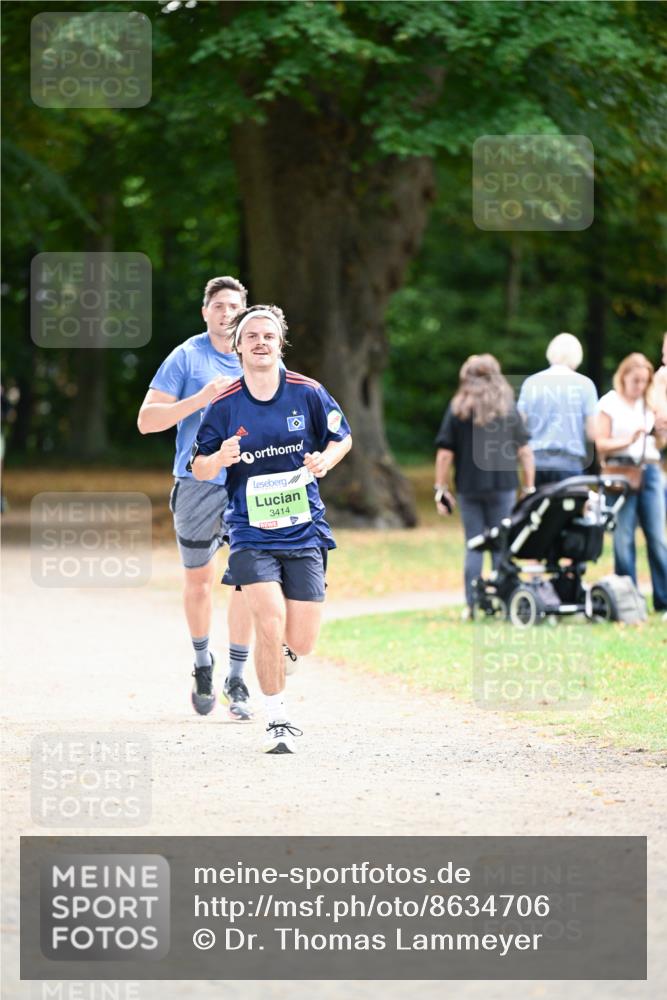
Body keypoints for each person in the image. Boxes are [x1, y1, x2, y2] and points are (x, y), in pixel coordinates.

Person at [190, 305, 352, 754]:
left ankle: (276, 660)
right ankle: (278, 718)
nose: (260, 342)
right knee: (269, 620)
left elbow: (343, 437)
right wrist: (219, 459)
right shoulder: (224, 405)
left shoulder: (308, 392)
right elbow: (199, 467)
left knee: (300, 640)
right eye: (251, 336)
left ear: (280, 343)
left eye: (268, 336)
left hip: (304, 530)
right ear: (237, 346)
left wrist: (326, 459)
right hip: (249, 530)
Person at [137, 276, 254, 720]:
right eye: (219, 306)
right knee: (200, 582)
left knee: (248, 579)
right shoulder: (187, 357)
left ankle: (238, 678)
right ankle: (204, 663)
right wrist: (200, 399)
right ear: (205, 312)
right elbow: (147, 421)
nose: (227, 314)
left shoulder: (259, 356)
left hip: (249, 487)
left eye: (235, 307)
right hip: (197, 484)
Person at [434, 354, 534, 615]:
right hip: (503, 486)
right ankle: (504, 601)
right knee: (502, 545)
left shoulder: (458, 408)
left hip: (469, 487)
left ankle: (473, 604)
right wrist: (529, 486)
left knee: (474, 544)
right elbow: (525, 450)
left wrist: (441, 488)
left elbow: (445, 453)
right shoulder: (508, 408)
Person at [594, 352, 667, 614]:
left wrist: (660, 432)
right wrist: (628, 439)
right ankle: (628, 600)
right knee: (623, 538)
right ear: (623, 376)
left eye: (644, 382)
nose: (639, 387)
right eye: (635, 381)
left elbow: (659, 444)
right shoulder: (609, 403)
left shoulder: (648, 405)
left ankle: (664, 600)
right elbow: (600, 444)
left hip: (649, 470)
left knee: (657, 538)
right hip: (620, 473)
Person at [517, 332, 598, 487]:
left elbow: (519, 427)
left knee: (537, 510)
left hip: (535, 464)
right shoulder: (585, 384)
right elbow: (592, 433)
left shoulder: (531, 383)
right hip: (569, 464)